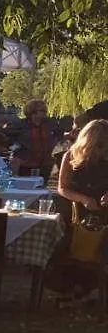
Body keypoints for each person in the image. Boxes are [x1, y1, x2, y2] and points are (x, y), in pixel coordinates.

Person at [46, 118, 108, 301]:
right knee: (69, 242)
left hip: (103, 210)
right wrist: (84, 199)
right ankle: (67, 287)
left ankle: (90, 286)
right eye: (98, 146)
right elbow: (62, 187)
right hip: (76, 210)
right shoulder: (70, 156)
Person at [5, 100, 62, 179]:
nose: (45, 112)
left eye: (45, 110)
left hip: (45, 164)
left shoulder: (50, 124)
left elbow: (59, 135)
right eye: (42, 110)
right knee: (25, 186)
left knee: (42, 187)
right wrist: (15, 149)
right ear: (32, 112)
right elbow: (5, 137)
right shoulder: (20, 124)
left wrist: (54, 144)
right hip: (25, 164)